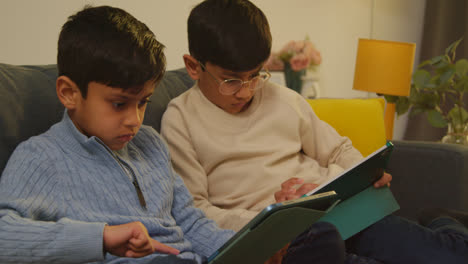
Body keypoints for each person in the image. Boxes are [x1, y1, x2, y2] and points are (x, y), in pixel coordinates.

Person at [160, 0, 468, 263]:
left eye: (255, 75)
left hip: (339, 212)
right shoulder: (180, 120)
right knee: (324, 241)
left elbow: (338, 150)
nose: (246, 90)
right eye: (231, 80)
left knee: (452, 256)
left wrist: (364, 172)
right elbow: (195, 211)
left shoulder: (281, 98)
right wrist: (276, 215)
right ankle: (444, 225)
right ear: (193, 66)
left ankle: (440, 218)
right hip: (285, 236)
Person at [0, 5, 236, 264]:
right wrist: (101, 237)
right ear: (69, 93)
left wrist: (246, 248)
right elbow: (5, 237)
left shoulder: (151, 143)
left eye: (143, 102)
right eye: (119, 104)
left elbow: (190, 223)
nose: (134, 121)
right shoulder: (41, 156)